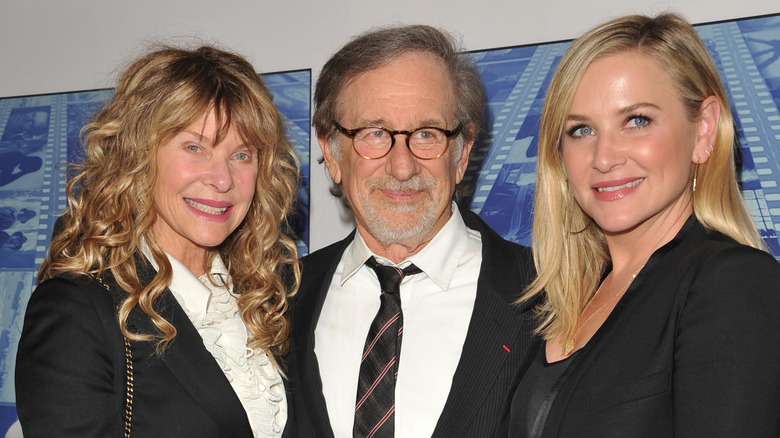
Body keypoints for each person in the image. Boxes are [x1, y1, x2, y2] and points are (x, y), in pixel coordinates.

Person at [503, 13, 780, 437]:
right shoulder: (563, 302)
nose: (603, 156)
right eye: (581, 130)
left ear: (703, 130)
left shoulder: (732, 284)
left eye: (637, 121)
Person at [15, 45, 301, 438]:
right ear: (140, 155)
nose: (222, 180)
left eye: (242, 155)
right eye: (194, 147)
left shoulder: (269, 297)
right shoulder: (77, 310)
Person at [288, 25, 536, 437]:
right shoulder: (276, 301)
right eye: (374, 133)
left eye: (426, 134)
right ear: (332, 152)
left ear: (462, 153)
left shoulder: (552, 296)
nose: (402, 167)